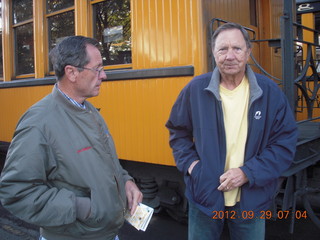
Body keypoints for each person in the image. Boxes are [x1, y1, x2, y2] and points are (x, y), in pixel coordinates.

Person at [0, 36, 142, 240]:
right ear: (72, 72)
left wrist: (126, 182)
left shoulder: (88, 110)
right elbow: (16, 191)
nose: (104, 76)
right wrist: (81, 207)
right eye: (97, 69)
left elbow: (103, 164)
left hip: (106, 234)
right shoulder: (39, 123)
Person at [165, 23, 298, 240]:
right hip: (205, 195)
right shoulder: (195, 89)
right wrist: (194, 167)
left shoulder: (270, 92)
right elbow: (178, 132)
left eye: (236, 48)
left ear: (248, 52)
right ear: (213, 53)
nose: (230, 56)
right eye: (222, 49)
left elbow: (284, 143)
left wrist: (248, 173)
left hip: (251, 200)